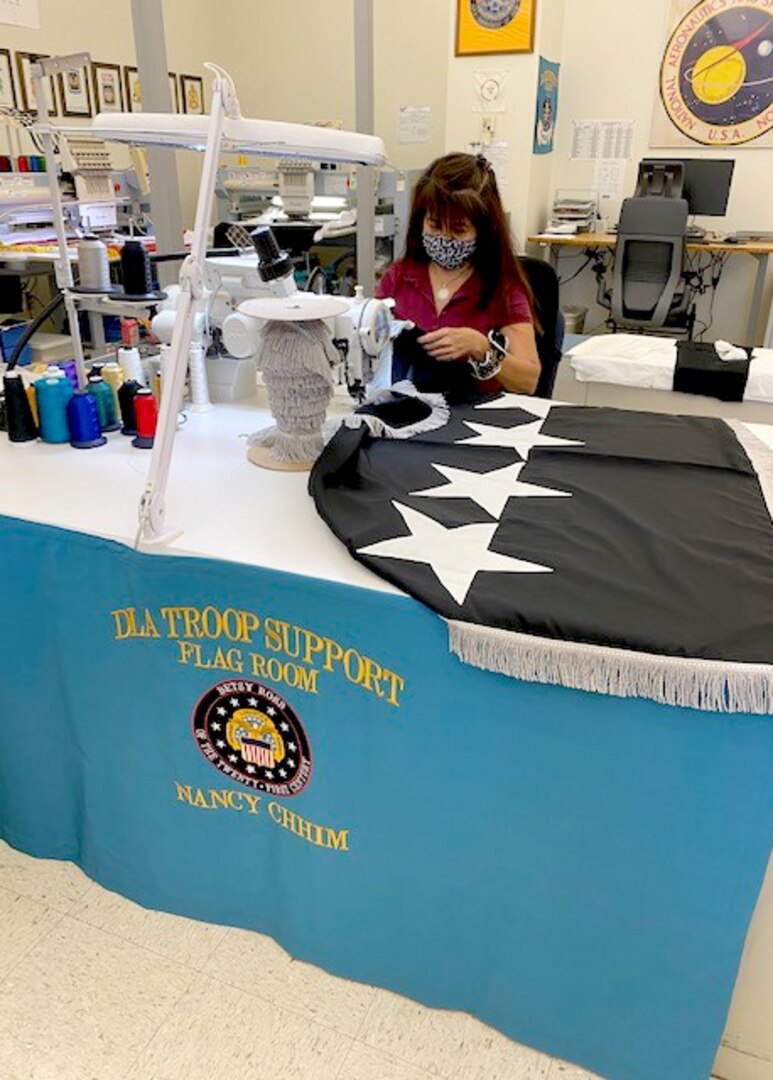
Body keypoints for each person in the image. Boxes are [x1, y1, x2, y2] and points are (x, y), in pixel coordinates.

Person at [376, 152, 540, 396]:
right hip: (409, 409)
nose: (444, 238)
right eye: (434, 225)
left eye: (459, 230)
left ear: (483, 231)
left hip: (475, 418)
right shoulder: (399, 277)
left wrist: (481, 347)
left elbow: (528, 381)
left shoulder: (502, 288)